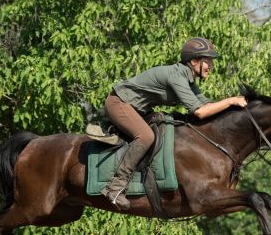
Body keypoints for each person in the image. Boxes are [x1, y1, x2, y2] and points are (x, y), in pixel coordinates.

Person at [101, 37, 248, 210]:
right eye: (207, 61)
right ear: (194, 61)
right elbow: (199, 112)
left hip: (137, 109)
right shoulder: (177, 76)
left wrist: (239, 108)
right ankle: (116, 187)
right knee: (146, 137)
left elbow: (206, 105)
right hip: (119, 103)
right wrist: (231, 101)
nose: (211, 66)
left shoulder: (188, 78)